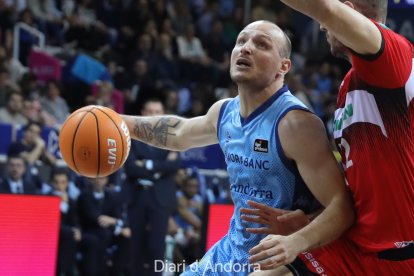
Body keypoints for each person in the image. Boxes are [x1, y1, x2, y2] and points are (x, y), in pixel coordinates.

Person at [120, 20, 355, 275]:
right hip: (233, 251)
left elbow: (343, 207)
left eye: (261, 44)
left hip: (285, 254)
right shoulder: (224, 112)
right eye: (241, 41)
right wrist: (118, 122)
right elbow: (179, 133)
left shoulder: (296, 124)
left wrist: (297, 238)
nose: (245, 48)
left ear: (283, 66)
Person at [243, 1, 414, 275]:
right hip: (355, 247)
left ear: (347, 8)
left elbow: (325, 10)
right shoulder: (349, 84)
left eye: (326, 21)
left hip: (403, 257)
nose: (321, 27)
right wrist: (309, 223)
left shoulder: (394, 56)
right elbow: (363, 197)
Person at [123, 98, 181, 275]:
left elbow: (174, 165)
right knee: (136, 248)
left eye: (158, 111)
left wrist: (146, 165)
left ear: (163, 114)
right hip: (137, 196)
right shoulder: (130, 136)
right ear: (142, 113)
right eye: (150, 111)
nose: (154, 115)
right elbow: (131, 167)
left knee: (157, 247)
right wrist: (159, 168)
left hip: (160, 198)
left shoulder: (172, 138)